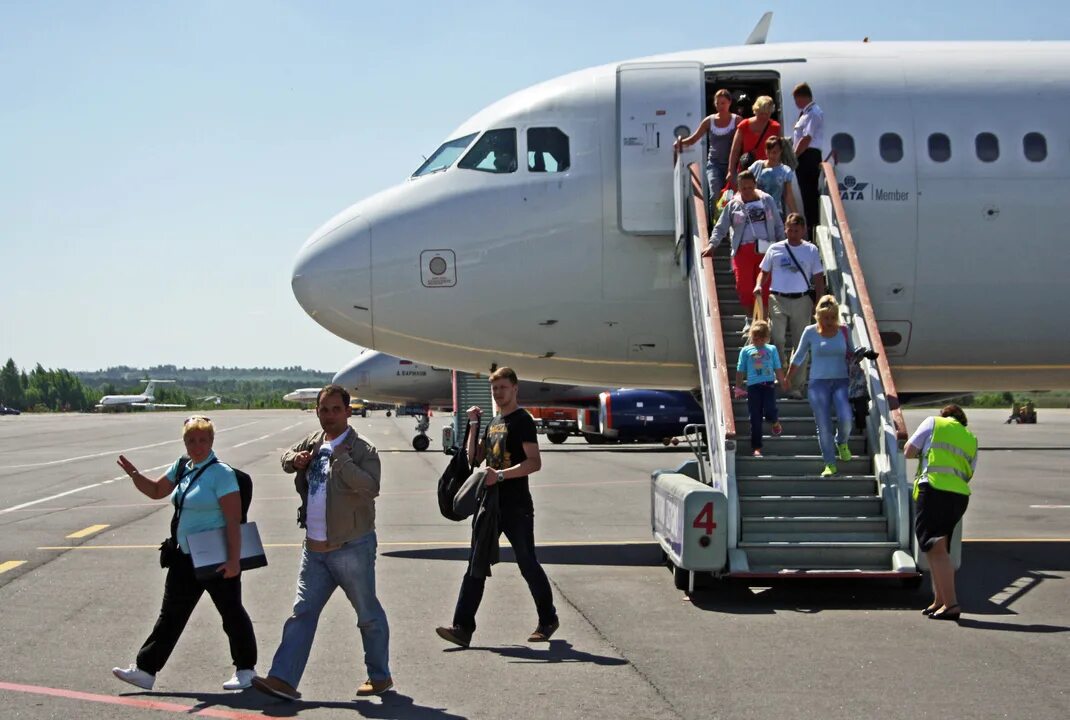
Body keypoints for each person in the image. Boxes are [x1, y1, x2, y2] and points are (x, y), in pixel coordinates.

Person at [253, 385, 392, 701]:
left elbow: (372, 487)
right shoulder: (315, 442)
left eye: (335, 410)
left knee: (367, 614)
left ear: (348, 411)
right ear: (316, 412)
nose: (328, 416)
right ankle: (283, 679)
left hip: (351, 547)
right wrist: (296, 459)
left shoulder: (363, 449)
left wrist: (342, 462)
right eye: (323, 410)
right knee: (302, 613)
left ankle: (380, 677)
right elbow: (285, 457)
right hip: (314, 549)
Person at [112, 416, 256, 691]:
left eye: (203, 440)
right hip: (184, 556)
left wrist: (234, 560)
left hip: (216, 557)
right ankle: (145, 670)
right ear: (184, 442)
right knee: (171, 615)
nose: (197, 445)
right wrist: (134, 475)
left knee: (231, 613)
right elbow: (156, 491)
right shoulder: (182, 467)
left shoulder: (221, 474)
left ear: (212, 441)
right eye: (191, 440)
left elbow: (233, 519)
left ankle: (246, 670)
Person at [437, 367, 559, 648]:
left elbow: (534, 462)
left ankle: (548, 618)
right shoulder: (494, 421)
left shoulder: (522, 421)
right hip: (489, 503)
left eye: (503, 388)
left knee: (527, 562)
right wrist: (473, 426)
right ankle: (462, 628)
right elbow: (475, 457)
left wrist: (501, 475)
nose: (498, 393)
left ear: (515, 388)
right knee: (475, 564)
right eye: (495, 389)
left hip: (516, 505)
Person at [905, 404, 978, 621]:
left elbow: (909, 450)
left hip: (935, 490)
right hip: (958, 496)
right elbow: (970, 470)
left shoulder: (934, 423)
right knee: (939, 548)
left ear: (945, 415)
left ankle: (951, 604)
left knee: (935, 549)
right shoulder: (970, 438)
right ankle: (940, 600)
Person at [754, 213, 826, 397]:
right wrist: (758, 285)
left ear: (803, 230)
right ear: (785, 229)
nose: (792, 233)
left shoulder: (810, 250)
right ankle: (782, 369)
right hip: (777, 298)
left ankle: (796, 386)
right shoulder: (775, 248)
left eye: (796, 230)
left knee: (800, 344)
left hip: (802, 300)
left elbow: (818, 277)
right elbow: (764, 271)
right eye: (789, 230)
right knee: (777, 338)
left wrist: (820, 300)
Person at [785, 295, 853, 476]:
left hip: (841, 381)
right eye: (825, 317)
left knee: (846, 417)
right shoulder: (810, 332)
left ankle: (842, 441)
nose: (829, 321)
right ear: (818, 316)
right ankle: (830, 463)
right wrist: (788, 378)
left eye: (832, 317)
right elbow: (799, 356)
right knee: (823, 425)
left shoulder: (844, 331)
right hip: (818, 383)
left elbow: (852, 354)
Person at [706, 170, 785, 317]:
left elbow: (778, 225)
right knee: (744, 288)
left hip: (766, 250)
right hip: (742, 251)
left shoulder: (767, 200)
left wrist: (782, 246)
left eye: (750, 187)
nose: (747, 191)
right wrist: (712, 244)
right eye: (743, 188)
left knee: (765, 288)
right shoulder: (733, 204)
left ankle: (763, 322)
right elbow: (721, 227)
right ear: (738, 187)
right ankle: (750, 320)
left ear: (755, 185)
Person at [675, 88, 741, 203]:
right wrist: (681, 142)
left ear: (729, 103)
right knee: (715, 194)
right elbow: (694, 139)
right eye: (717, 103)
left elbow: (744, 140)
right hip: (714, 163)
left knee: (734, 195)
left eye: (723, 103)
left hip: (733, 164)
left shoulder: (737, 120)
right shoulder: (709, 121)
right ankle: (715, 220)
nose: (720, 106)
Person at [734, 320, 787, 457]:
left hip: (768, 385)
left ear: (766, 338)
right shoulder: (746, 351)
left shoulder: (771, 349)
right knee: (755, 417)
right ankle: (756, 447)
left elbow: (777, 366)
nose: (758, 341)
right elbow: (740, 370)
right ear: (751, 336)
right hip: (753, 387)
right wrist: (738, 387)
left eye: (761, 338)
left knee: (769, 410)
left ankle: (775, 421)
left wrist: (782, 380)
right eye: (755, 338)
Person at [791, 83, 825, 240]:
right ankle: (811, 228)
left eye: (796, 99)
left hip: (808, 156)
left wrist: (794, 156)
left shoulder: (812, 113)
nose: (796, 103)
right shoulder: (806, 113)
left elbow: (806, 138)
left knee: (809, 194)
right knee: (806, 195)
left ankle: (812, 229)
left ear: (802, 97)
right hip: (805, 155)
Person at [727, 95, 781, 187]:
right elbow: (735, 150)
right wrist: (730, 171)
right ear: (755, 110)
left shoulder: (776, 127)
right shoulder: (744, 125)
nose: (764, 116)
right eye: (761, 113)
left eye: (767, 113)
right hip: (747, 170)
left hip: (769, 171)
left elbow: (780, 151)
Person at [748, 135, 799, 218]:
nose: (771, 155)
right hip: (755, 211)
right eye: (769, 152)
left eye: (775, 152)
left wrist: (795, 214)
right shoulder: (756, 166)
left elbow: (788, 195)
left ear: (781, 151)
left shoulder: (785, 171)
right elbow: (745, 184)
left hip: (775, 212)